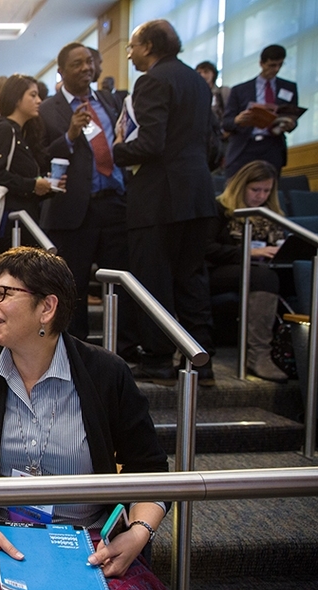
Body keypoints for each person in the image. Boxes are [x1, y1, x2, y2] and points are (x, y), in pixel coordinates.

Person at [0, 246, 171, 590]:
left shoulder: (106, 373)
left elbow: (151, 469)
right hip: (1, 538)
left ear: (47, 307)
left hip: (88, 542)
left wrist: (138, 533)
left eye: (2, 293)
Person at [113, 19, 217, 385]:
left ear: (149, 46)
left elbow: (150, 143)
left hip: (160, 199)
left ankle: (157, 361)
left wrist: (117, 150)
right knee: (192, 280)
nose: (128, 52)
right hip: (199, 195)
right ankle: (201, 364)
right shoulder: (198, 83)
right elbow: (213, 146)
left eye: (133, 45)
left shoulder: (152, 80)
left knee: (152, 280)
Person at [39, 43, 133, 349]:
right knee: (73, 283)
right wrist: (69, 135)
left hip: (115, 203)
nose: (86, 68)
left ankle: (123, 346)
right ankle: (74, 349)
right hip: (74, 208)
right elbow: (41, 156)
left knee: (122, 281)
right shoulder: (47, 109)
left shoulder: (109, 100)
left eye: (89, 62)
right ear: (62, 70)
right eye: (78, 64)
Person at [205, 160, 288, 382]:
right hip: (218, 271)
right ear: (242, 186)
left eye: (266, 191)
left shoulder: (270, 215)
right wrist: (246, 252)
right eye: (255, 190)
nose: (260, 196)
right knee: (263, 276)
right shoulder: (220, 209)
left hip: (259, 269)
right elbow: (206, 249)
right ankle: (259, 354)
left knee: (274, 275)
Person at [0, 74, 55, 251]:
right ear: (16, 98)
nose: (39, 101)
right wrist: (32, 185)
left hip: (23, 220)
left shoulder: (22, 132)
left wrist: (46, 187)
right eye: (32, 95)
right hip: (9, 224)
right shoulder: (4, 129)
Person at [223, 44, 299, 180]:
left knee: (269, 190)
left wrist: (290, 124)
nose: (276, 69)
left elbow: (293, 116)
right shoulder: (240, 90)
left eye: (280, 65)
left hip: (272, 146)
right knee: (237, 189)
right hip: (245, 146)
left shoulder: (289, 88)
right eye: (272, 65)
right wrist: (238, 120)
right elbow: (226, 123)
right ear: (261, 63)